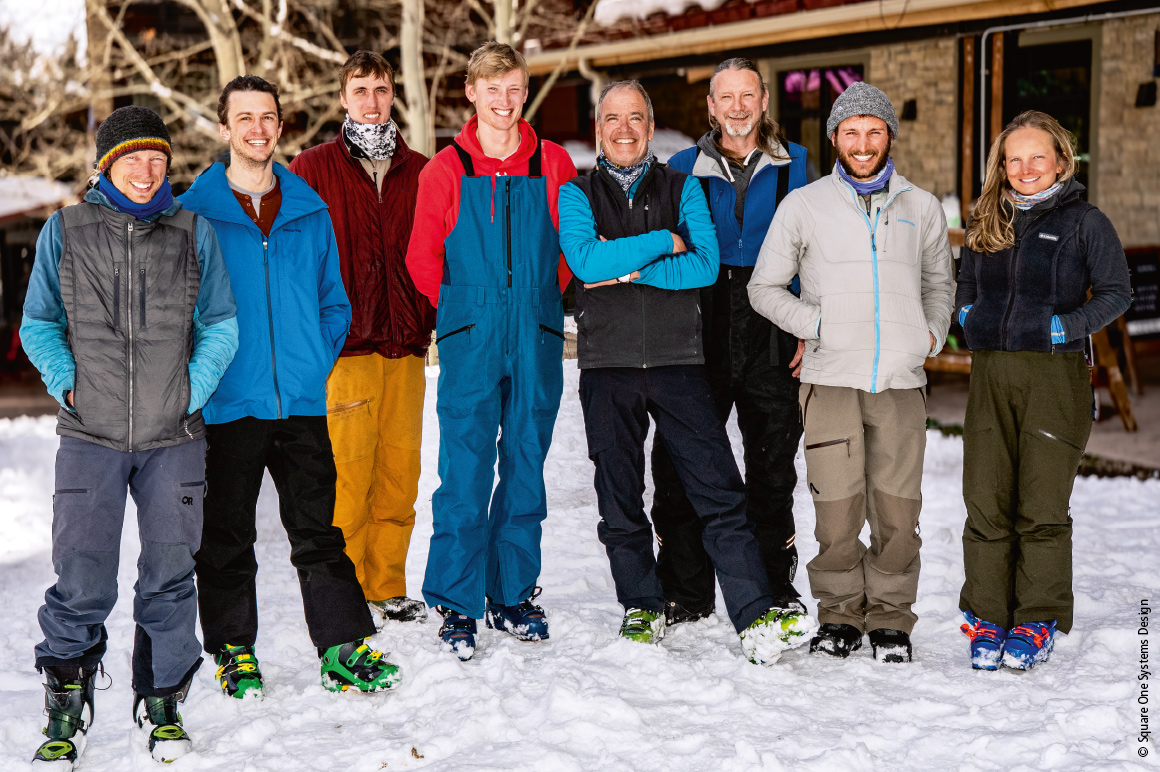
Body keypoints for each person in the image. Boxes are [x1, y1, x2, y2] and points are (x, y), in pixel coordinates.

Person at [559, 80, 816, 664]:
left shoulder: (683, 187)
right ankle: (643, 604)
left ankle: (755, 616)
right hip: (609, 367)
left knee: (719, 492)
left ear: (651, 129)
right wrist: (660, 242)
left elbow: (701, 268)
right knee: (619, 495)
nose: (624, 129)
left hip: (679, 365)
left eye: (635, 118)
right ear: (599, 129)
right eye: (612, 119)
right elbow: (583, 260)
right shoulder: (576, 194)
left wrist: (624, 270)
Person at [21, 105, 239, 764]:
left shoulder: (191, 231)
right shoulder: (66, 230)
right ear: (107, 164)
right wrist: (68, 385)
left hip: (174, 436)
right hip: (91, 433)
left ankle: (164, 696)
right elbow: (38, 322)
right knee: (81, 575)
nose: (147, 172)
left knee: (171, 573)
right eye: (133, 158)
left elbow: (222, 323)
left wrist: (189, 394)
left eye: (157, 159)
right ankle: (66, 694)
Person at [182, 75, 399, 696]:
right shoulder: (197, 215)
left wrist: (310, 365)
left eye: (268, 117)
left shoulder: (308, 208)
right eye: (244, 118)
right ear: (224, 128)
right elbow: (181, 312)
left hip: (301, 402)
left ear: (281, 126)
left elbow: (336, 302)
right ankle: (233, 651)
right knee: (226, 535)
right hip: (227, 404)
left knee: (319, 530)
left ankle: (341, 647)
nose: (257, 129)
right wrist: (207, 379)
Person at [748, 82, 954, 662]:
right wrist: (815, 324)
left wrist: (930, 333)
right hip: (831, 379)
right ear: (834, 137)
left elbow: (940, 285)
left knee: (897, 508)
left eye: (874, 131)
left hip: (900, 383)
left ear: (889, 135)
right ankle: (838, 614)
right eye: (851, 132)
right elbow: (763, 288)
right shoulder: (804, 205)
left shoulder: (922, 207)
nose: (862, 143)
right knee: (836, 507)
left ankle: (890, 618)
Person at [406, 42, 577, 660]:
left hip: (534, 329)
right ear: (471, 92)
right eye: (493, 90)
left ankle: (510, 593)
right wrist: (466, 311)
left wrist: (535, 299)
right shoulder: (445, 170)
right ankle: (455, 600)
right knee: (467, 467)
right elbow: (422, 259)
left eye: (515, 90)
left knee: (527, 464)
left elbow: (568, 248)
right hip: (471, 335)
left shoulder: (552, 163)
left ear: (524, 94)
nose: (505, 103)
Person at [956, 111, 1131, 671]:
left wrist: (1064, 327)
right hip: (991, 375)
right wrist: (967, 315)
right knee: (985, 498)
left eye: (1038, 157)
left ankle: (1037, 617)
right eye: (1014, 158)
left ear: (1061, 160)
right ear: (1001, 166)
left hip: (1054, 377)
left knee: (1042, 504)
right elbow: (965, 284)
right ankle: (987, 615)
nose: (1025, 168)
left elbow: (1116, 292)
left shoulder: (1085, 221)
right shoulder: (987, 218)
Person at [661, 57, 811, 627]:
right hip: (702, 318)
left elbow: (812, 252)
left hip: (772, 319)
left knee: (772, 463)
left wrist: (804, 321)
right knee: (682, 459)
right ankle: (685, 587)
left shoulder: (797, 164)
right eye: (726, 97)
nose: (737, 107)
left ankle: (774, 585)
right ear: (711, 105)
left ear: (764, 99)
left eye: (747, 95)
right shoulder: (681, 166)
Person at [289, 51, 434, 626]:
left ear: (392, 95)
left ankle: (387, 587)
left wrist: (429, 316)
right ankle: (343, 594)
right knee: (348, 477)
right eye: (360, 89)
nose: (370, 100)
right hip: (345, 349)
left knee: (400, 474)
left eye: (380, 89)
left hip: (406, 345)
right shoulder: (311, 168)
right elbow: (297, 259)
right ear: (342, 97)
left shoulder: (421, 170)